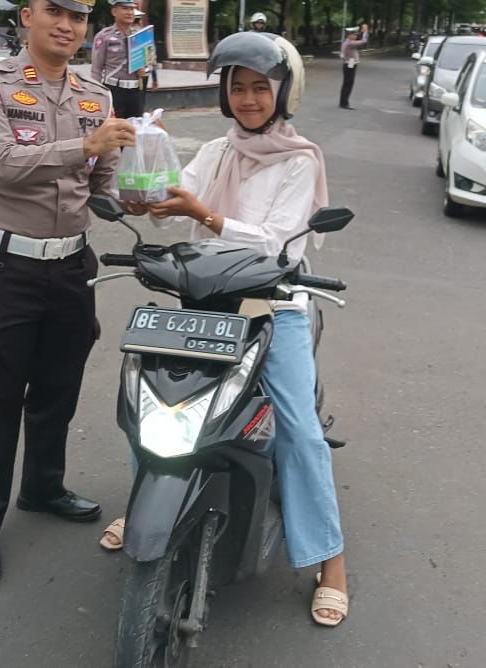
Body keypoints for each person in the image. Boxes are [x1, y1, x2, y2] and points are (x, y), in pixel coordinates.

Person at [100, 32, 350, 628]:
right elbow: (175, 188)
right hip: (204, 298)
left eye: (259, 88)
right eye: (237, 88)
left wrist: (202, 215)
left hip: (273, 304)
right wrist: (147, 197)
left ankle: (331, 560)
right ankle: (144, 500)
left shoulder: (299, 159)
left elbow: (276, 240)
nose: (247, 99)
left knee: (299, 430)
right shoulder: (215, 151)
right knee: (154, 399)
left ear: (283, 91)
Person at [0, 0, 138, 587]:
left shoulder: (97, 94)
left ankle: (43, 487)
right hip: (1, 267)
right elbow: (1, 163)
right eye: (54, 11)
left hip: (70, 268)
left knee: (58, 391)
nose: (65, 25)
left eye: (77, 16)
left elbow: (104, 184)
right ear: (27, 14)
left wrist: (141, 187)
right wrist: (85, 146)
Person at [90, 0, 150, 118]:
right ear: (114, 11)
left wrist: (144, 71)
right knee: (113, 130)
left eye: (131, 9)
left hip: (135, 91)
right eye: (124, 8)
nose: (129, 12)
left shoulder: (140, 36)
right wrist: (96, 94)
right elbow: (96, 69)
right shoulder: (104, 36)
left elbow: (148, 63)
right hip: (113, 90)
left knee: (134, 131)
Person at [338, 23, 370, 110]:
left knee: (347, 83)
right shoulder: (349, 43)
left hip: (349, 63)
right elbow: (363, 41)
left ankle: (343, 102)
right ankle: (344, 103)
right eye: (354, 34)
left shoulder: (347, 42)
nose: (356, 36)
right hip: (349, 64)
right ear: (350, 35)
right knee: (348, 83)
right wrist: (366, 31)